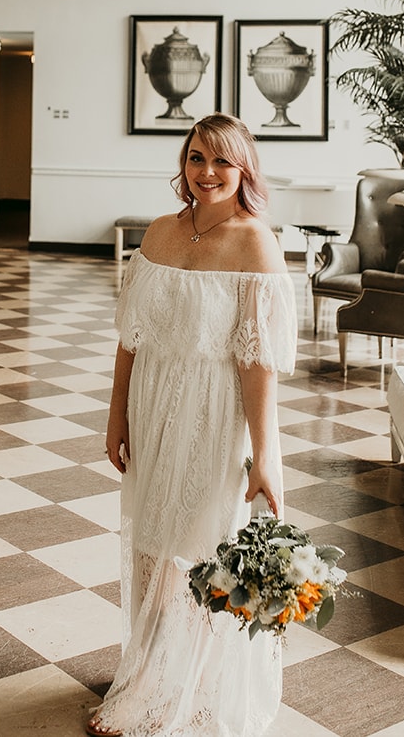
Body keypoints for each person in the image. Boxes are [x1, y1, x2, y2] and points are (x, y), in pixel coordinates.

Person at [86, 114, 297, 737]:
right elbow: (131, 337)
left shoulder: (255, 241)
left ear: (244, 171)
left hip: (215, 411)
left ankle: (197, 683)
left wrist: (265, 455)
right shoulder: (158, 232)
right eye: (197, 158)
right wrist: (115, 413)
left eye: (223, 163)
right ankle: (151, 670)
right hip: (153, 405)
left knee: (202, 548)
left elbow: (257, 361)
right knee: (152, 541)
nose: (207, 173)